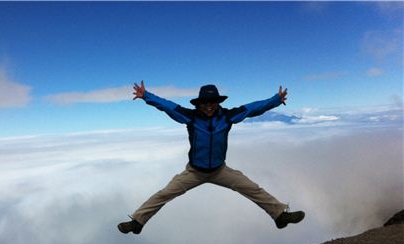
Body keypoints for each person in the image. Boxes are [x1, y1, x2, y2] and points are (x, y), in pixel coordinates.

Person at [118, 81, 305, 234]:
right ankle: (137, 222)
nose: (209, 106)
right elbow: (167, 106)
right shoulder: (190, 117)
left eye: (213, 102)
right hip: (194, 172)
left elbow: (253, 109)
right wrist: (146, 96)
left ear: (218, 102)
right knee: (164, 194)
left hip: (219, 170)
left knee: (252, 189)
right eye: (205, 102)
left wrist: (276, 100)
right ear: (199, 103)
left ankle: (280, 216)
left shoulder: (227, 117)